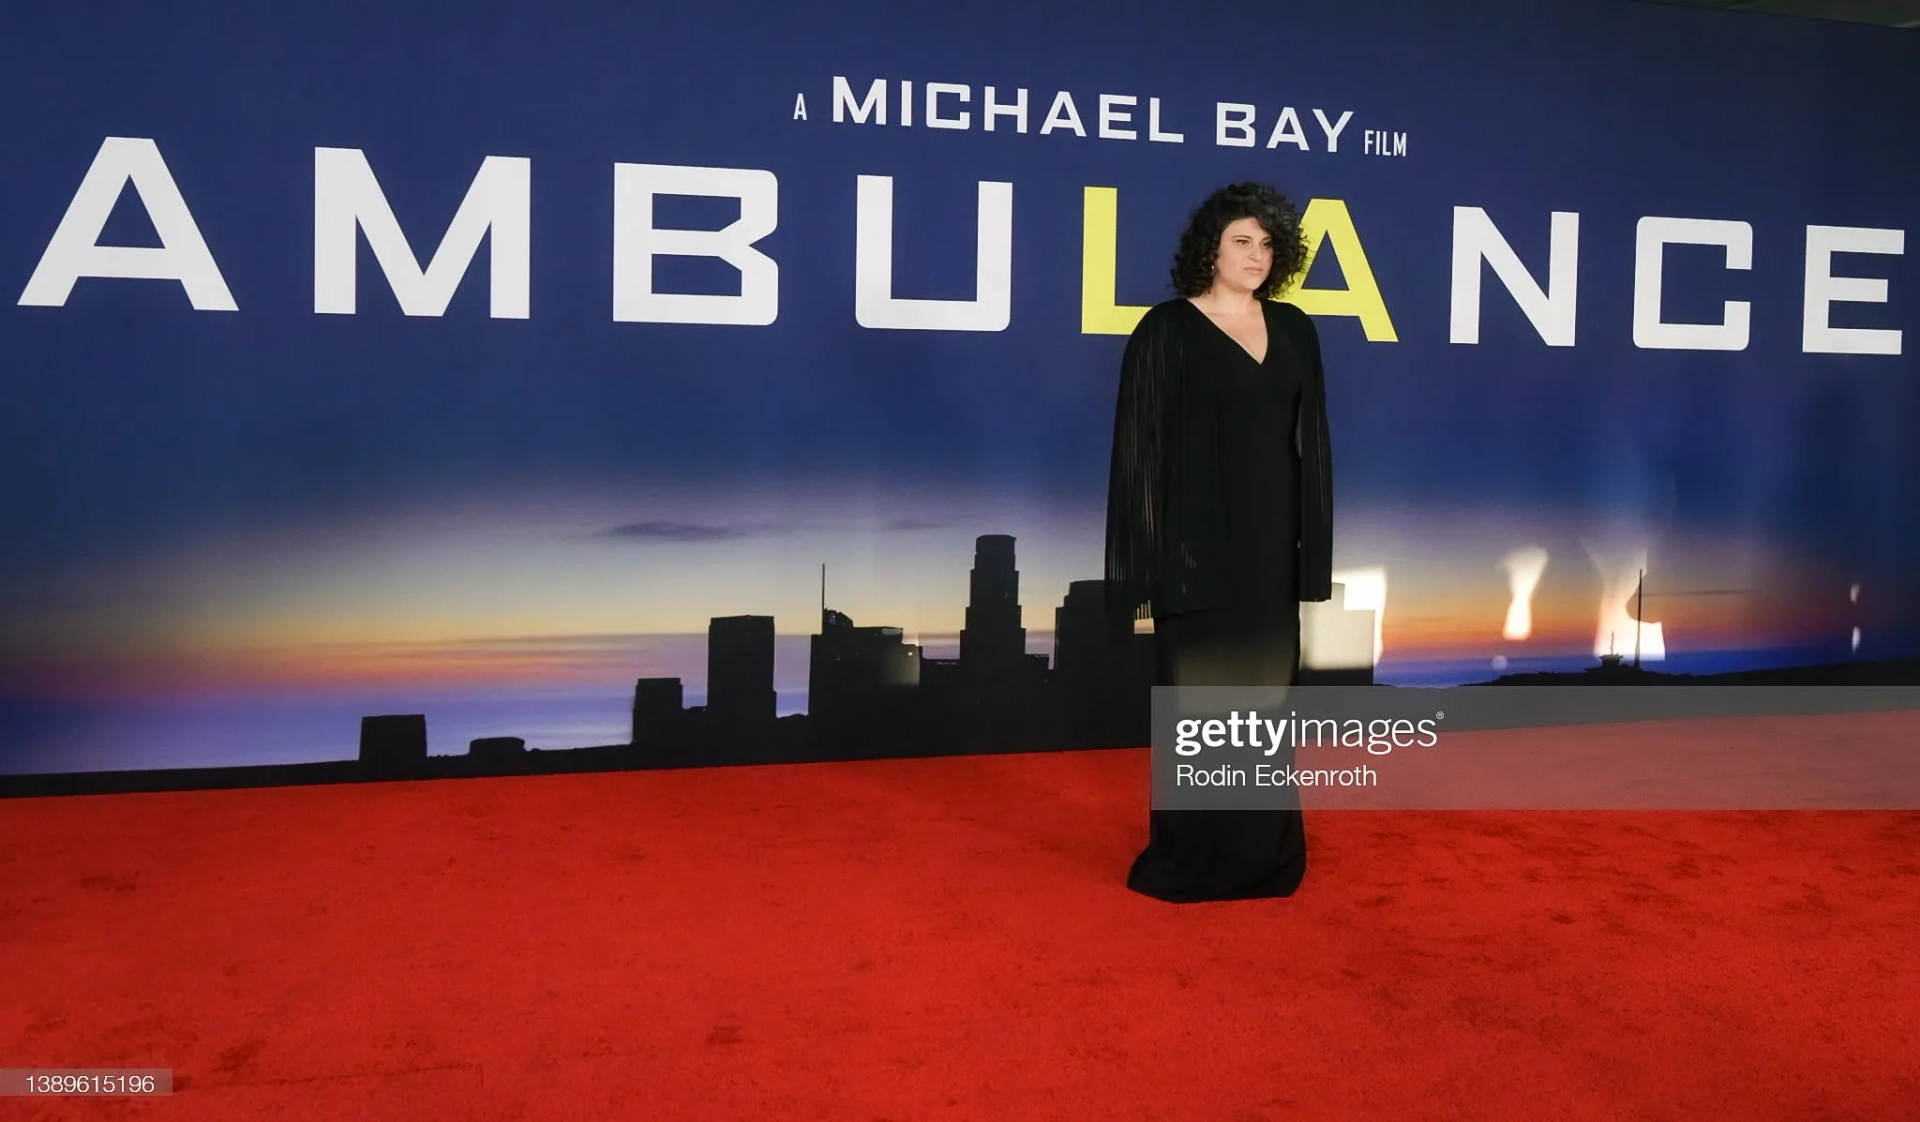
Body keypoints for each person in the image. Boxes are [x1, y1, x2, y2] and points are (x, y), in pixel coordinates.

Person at [1104, 182, 1335, 902]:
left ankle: (1264, 858)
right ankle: (1196, 860)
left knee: (1265, 711)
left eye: (1268, 244)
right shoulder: (1165, 329)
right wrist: (1141, 576)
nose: (1257, 255)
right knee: (1199, 712)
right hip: (1194, 550)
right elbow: (1137, 456)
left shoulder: (1296, 329)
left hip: (1271, 551)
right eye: (1243, 240)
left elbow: (1315, 449)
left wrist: (1310, 560)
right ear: (1210, 246)